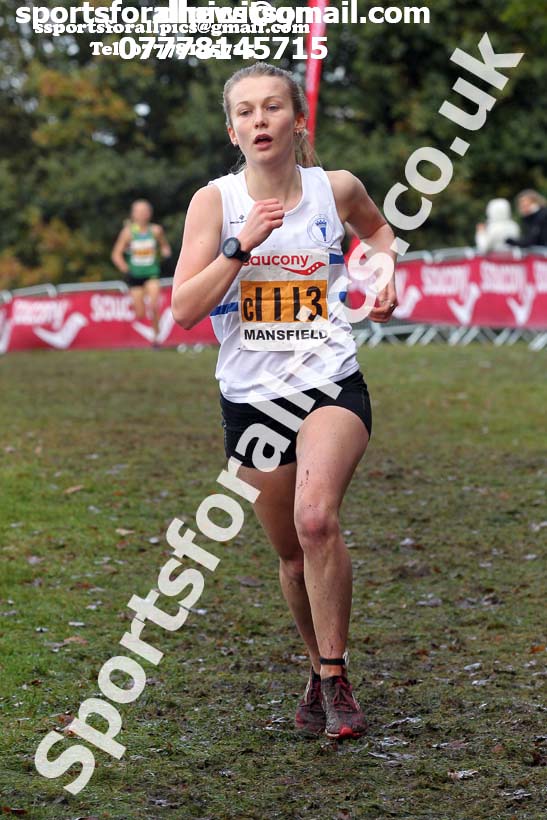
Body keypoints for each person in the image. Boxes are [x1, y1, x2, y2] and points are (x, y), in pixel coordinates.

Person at [171, 63, 397, 740]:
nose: (260, 119)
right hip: (252, 400)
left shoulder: (336, 189)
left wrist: (380, 276)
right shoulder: (214, 203)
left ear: (298, 121)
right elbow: (184, 309)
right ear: (232, 129)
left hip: (330, 382)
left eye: (273, 107)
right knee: (292, 555)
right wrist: (241, 248)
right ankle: (314, 663)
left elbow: (379, 234)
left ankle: (335, 675)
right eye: (245, 111)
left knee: (316, 518)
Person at [111, 199, 172, 346]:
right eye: (139, 211)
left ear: (149, 213)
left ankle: (156, 338)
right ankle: (150, 333)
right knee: (140, 312)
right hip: (135, 276)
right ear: (133, 214)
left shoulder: (156, 231)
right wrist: (125, 269)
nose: (142, 214)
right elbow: (116, 254)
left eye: (145, 211)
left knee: (153, 305)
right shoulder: (128, 232)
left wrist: (164, 253)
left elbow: (165, 248)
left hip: (152, 274)